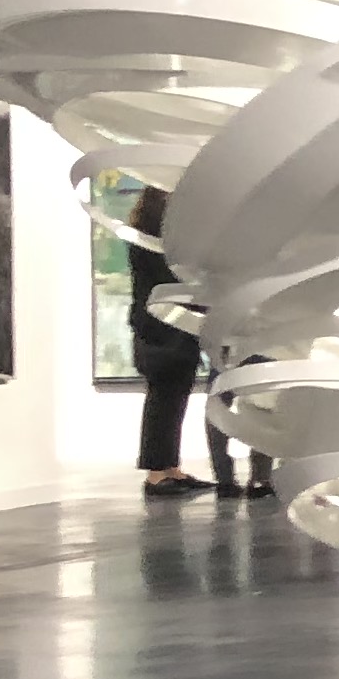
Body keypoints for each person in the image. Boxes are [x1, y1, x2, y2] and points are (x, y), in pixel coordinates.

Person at [125, 191, 212, 500]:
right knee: (163, 398)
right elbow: (173, 283)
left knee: (173, 397)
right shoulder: (151, 245)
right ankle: (156, 474)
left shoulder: (154, 242)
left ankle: (170, 468)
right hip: (162, 327)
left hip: (169, 326)